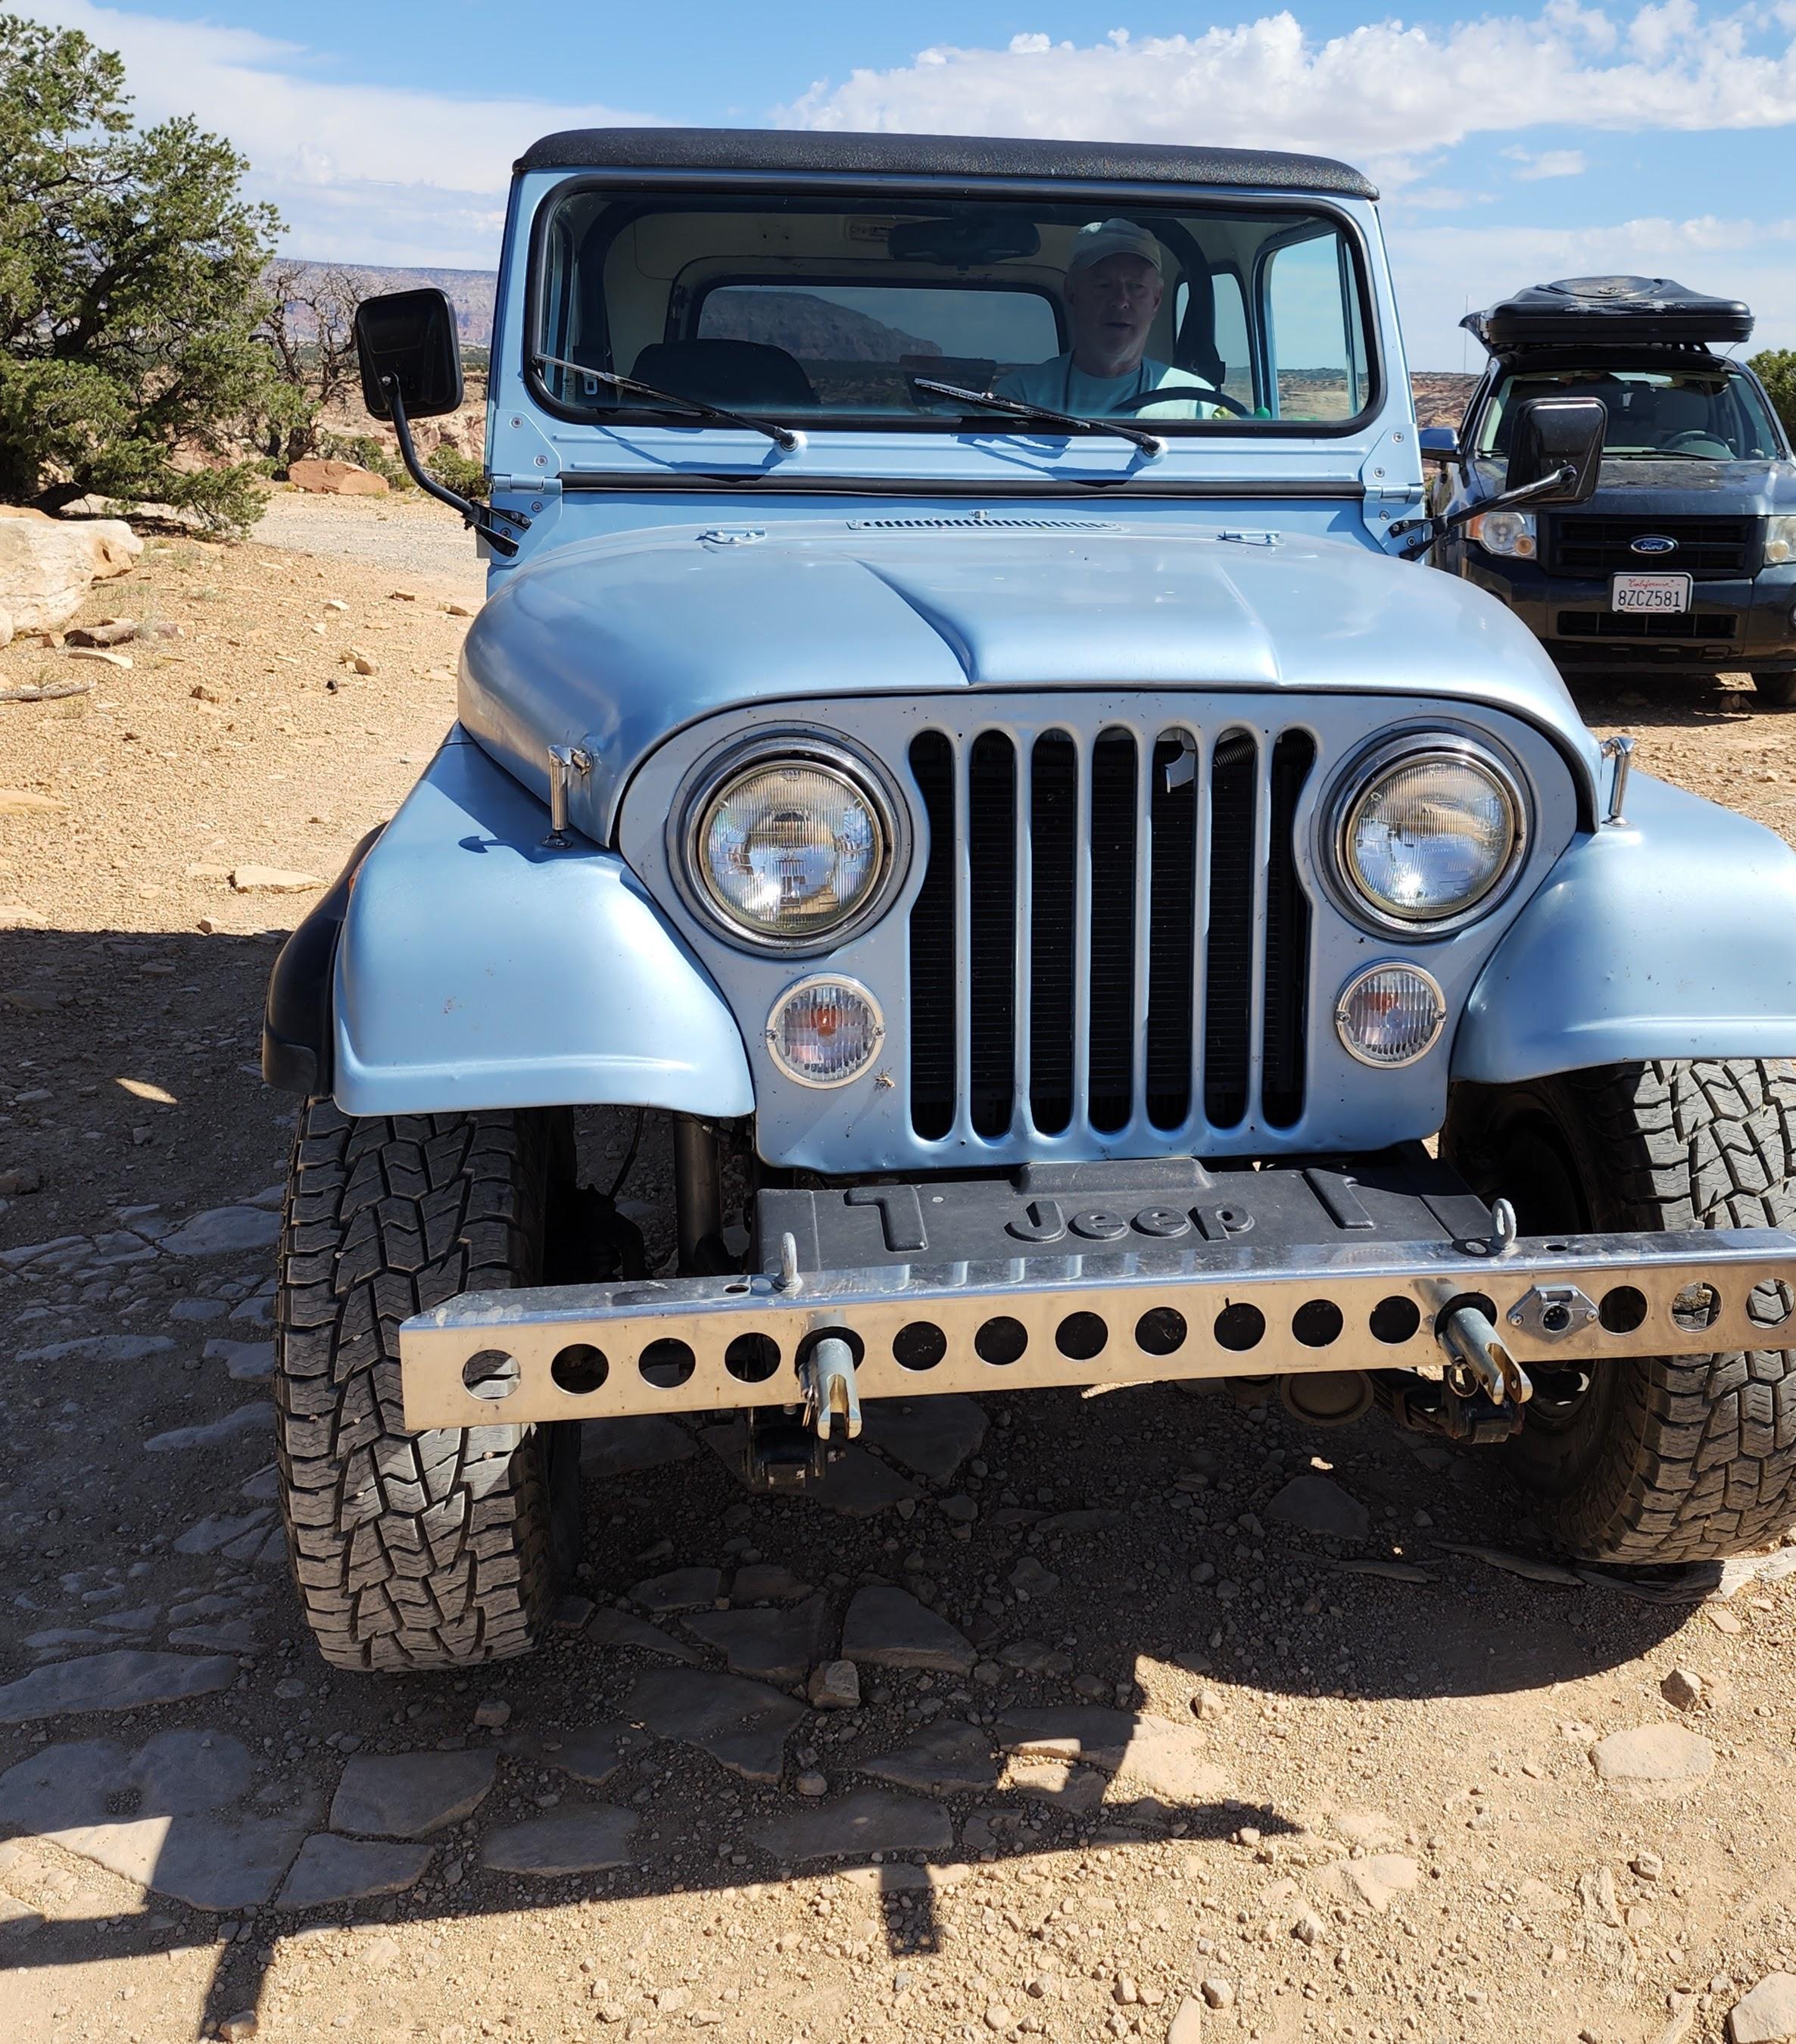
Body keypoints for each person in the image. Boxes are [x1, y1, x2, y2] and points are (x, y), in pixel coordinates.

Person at [997, 220, 1214, 420]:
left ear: (1156, 301)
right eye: (1103, 285)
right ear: (1072, 293)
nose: (1120, 301)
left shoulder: (1198, 404)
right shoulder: (1018, 398)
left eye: (1135, 286)